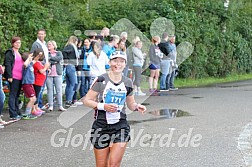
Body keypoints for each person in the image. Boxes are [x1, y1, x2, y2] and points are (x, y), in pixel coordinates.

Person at [83, 51, 146, 167]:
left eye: (121, 61)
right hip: (101, 125)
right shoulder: (101, 79)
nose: (118, 64)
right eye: (115, 61)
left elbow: (131, 104)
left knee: (113, 164)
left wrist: (137, 106)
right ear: (109, 62)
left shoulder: (127, 82)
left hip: (120, 126)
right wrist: (103, 106)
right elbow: (87, 100)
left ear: (125, 64)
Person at [3, 36, 23, 120]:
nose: (18, 44)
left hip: (20, 76)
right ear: (13, 43)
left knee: (17, 95)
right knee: (13, 95)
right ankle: (12, 113)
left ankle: (17, 111)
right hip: (13, 76)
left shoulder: (20, 53)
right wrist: (9, 76)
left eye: (19, 43)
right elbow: (7, 64)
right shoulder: (10, 52)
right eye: (16, 43)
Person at [30, 29, 49, 109]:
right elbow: (33, 55)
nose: (40, 35)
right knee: (38, 89)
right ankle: (37, 106)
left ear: (45, 35)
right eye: (39, 34)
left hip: (45, 67)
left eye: (42, 34)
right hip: (39, 67)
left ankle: (38, 106)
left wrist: (48, 67)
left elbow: (46, 57)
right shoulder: (36, 44)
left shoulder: (44, 44)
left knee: (41, 87)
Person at [46, 41, 66, 112]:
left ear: (54, 45)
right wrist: (54, 61)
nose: (48, 46)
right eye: (48, 44)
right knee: (49, 89)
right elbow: (45, 61)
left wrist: (50, 59)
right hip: (49, 74)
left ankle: (60, 105)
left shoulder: (58, 53)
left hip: (58, 73)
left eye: (50, 44)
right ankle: (50, 105)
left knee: (59, 90)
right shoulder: (46, 53)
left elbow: (60, 58)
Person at [21, 52, 40, 119]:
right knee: (32, 99)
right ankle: (26, 114)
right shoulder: (26, 66)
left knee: (34, 99)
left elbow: (36, 59)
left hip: (30, 84)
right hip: (26, 84)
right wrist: (29, 58)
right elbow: (25, 64)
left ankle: (28, 113)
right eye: (30, 58)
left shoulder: (31, 65)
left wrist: (38, 55)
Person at [62, 36, 79, 107]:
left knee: (69, 84)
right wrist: (66, 60)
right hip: (71, 65)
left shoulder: (70, 47)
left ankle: (68, 99)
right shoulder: (71, 46)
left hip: (70, 66)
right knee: (74, 83)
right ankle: (69, 100)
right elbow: (64, 52)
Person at [33, 48, 50, 114]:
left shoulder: (39, 63)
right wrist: (45, 67)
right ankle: (34, 109)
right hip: (37, 81)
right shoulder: (37, 63)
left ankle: (37, 108)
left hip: (40, 81)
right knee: (36, 95)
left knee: (38, 94)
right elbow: (41, 71)